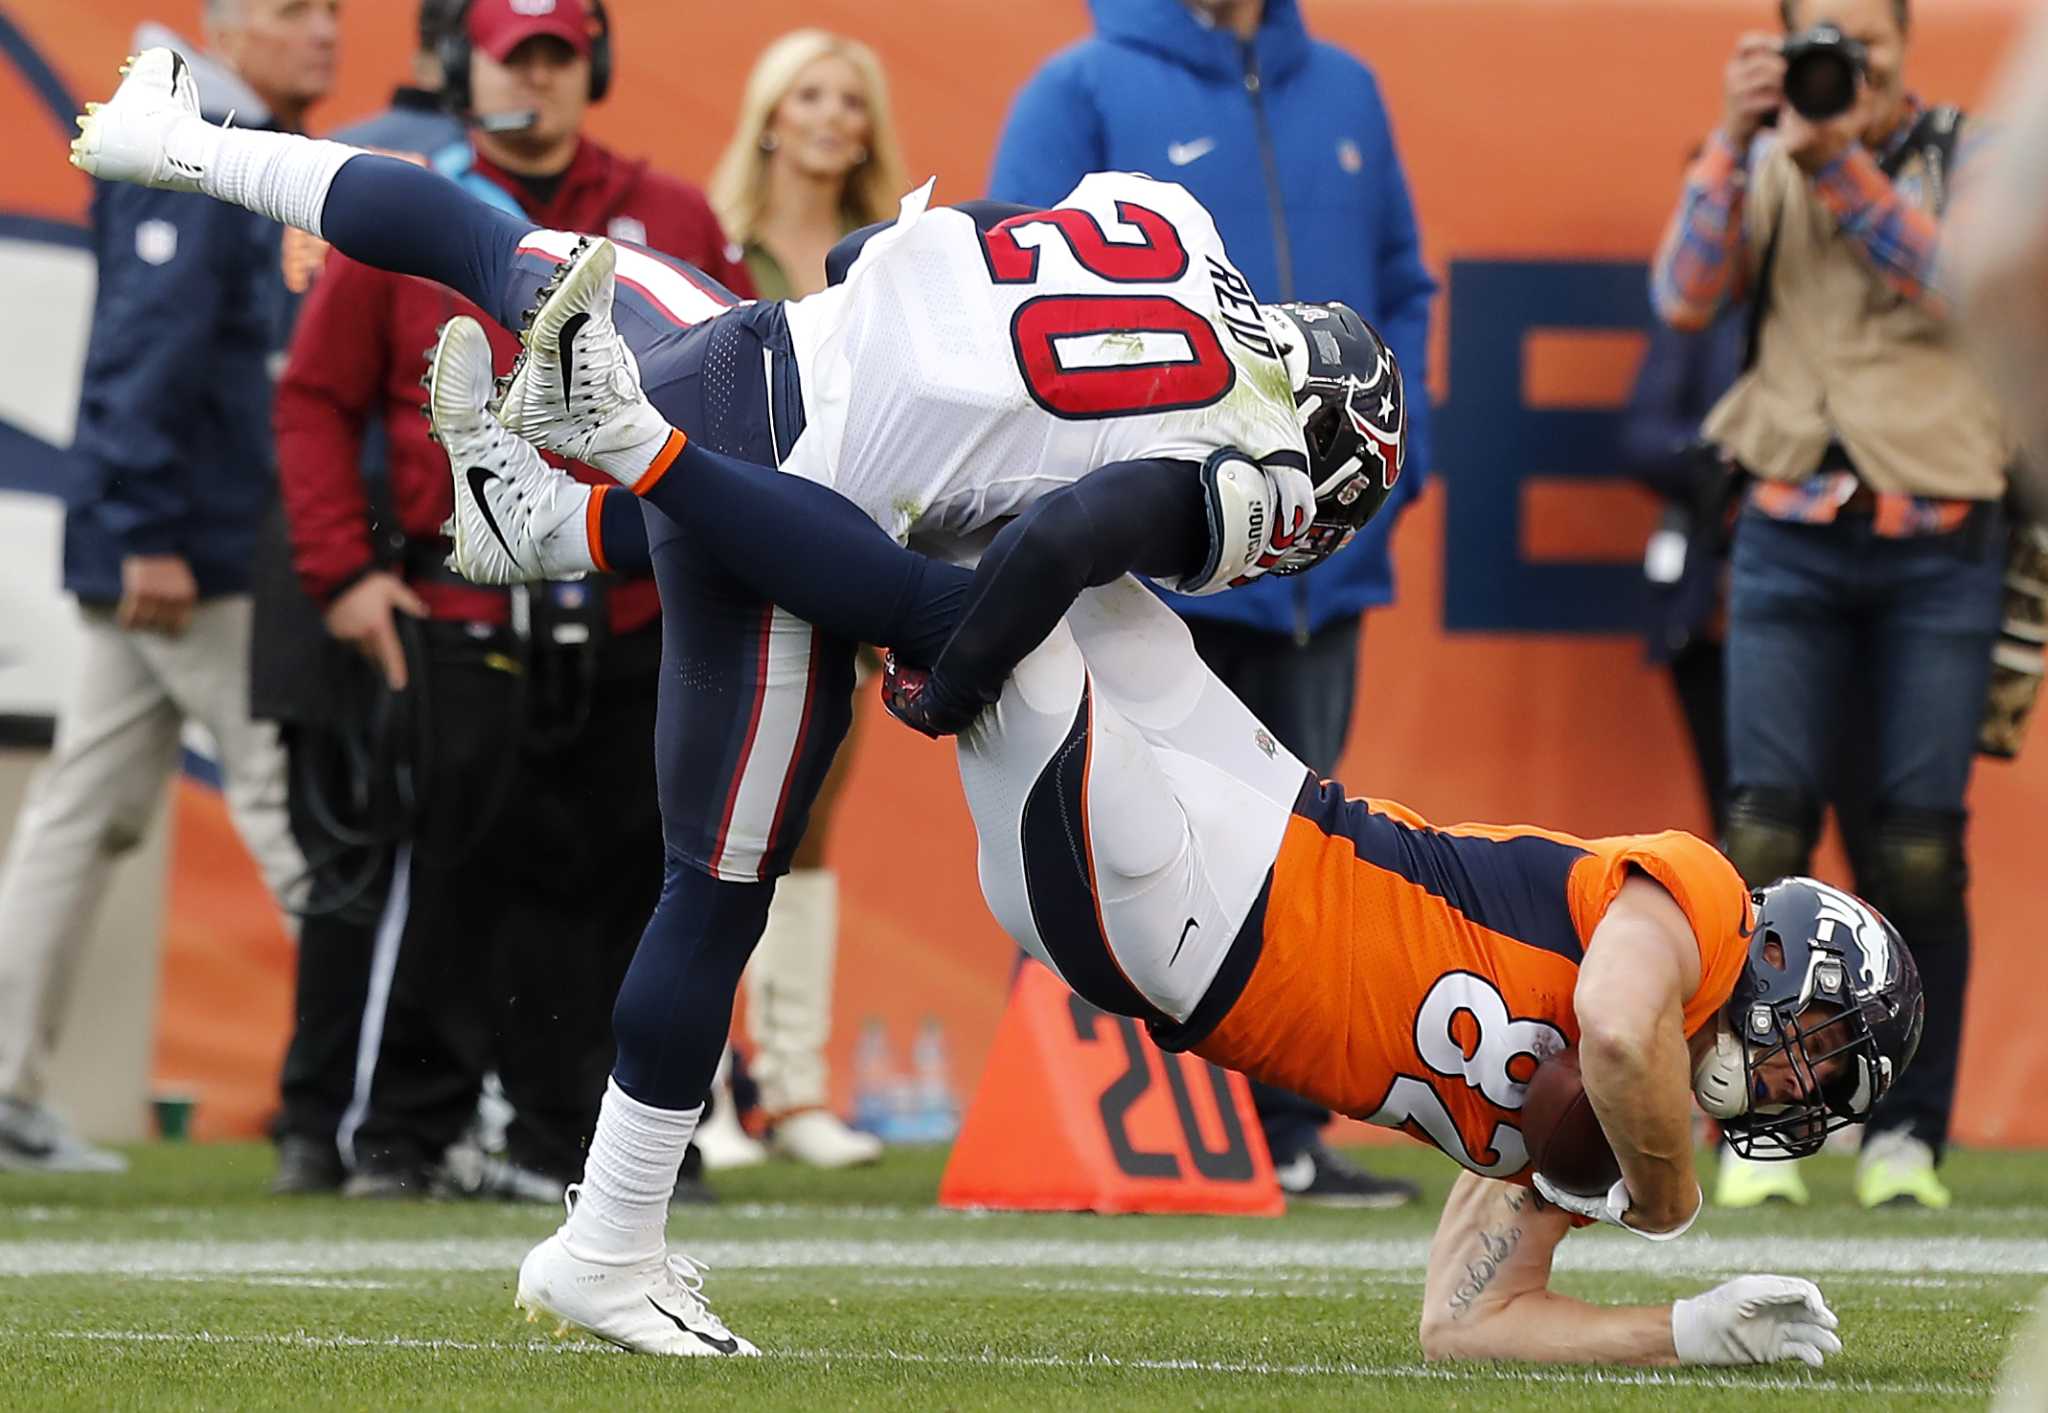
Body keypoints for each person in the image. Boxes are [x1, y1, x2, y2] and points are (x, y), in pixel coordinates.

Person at [73, 46, 1386, 1351]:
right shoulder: (1259, 458)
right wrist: (951, 681)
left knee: (482, 238)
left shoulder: (1166, 219)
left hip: (744, 342)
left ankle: (188, 151)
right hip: (779, 502)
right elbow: (1061, 546)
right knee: (772, 824)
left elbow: (864, 249)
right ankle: (608, 1248)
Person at [428, 294, 1903, 1372]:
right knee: (988, 525)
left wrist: (1684, 1335)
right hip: (1249, 839)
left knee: (973, 612)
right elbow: (1624, 1038)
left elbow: (1467, 1325)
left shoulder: (1592, 1127)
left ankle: (622, 450)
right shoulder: (1694, 914)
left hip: (1204, 904)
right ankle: (576, 496)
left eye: (1821, 1075)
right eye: (1822, 1042)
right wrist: (1669, 1205)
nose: (1800, 1077)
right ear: (1778, 958)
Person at [268, 0, 751, 1201]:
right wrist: (343, 571)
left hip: (641, 599)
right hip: (457, 608)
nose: (533, 76)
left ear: (590, 65)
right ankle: (406, 1134)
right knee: (450, 880)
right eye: (509, 54)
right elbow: (315, 398)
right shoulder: (407, 210)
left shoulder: (672, 214)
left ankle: (611, 1144)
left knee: (638, 882)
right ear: (463, 67)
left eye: (553, 53)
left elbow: (755, 386)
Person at [986, 0, 1435, 1208]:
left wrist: (1394, 466)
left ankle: (1285, 1127)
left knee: (1299, 845)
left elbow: (1402, 288)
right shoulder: (1076, 86)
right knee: (1118, 832)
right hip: (1158, 556)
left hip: (1320, 559)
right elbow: (1018, 305)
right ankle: (1106, 1118)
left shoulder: (1343, 85)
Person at [1650, 0, 2014, 1211]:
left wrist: (1835, 161)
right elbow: (1685, 295)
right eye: (1821, 39)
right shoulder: (1763, 151)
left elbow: (1961, 283)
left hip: (1938, 531)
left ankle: (1905, 1133)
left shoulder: (1972, 151)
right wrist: (1723, 136)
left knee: (1915, 846)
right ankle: (1750, 1113)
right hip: (1790, 531)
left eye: (1863, 39)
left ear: (1907, 43)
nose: (1841, 62)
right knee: (1755, 836)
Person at [0, 0, 335, 1174]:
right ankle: (395, 1079)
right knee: (284, 800)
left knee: (80, 812)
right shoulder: (189, 134)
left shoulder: (213, 127)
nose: (327, 34)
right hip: (184, 552)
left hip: (173, 538)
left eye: (334, 11)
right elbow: (152, 341)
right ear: (229, 30)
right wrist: (147, 527)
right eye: (297, 12)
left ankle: (1, 1087)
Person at [695, 29, 910, 1170]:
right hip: (728, 554)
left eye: (852, 100)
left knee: (811, 819)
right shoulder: (712, 242)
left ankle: (795, 1086)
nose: (833, 117)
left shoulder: (890, 259)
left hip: (846, 558)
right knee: (719, 818)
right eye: (811, 95)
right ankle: (705, 1094)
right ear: (769, 114)